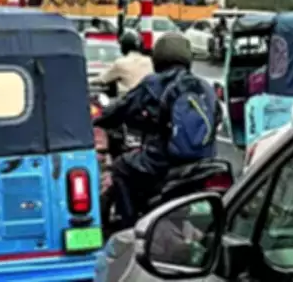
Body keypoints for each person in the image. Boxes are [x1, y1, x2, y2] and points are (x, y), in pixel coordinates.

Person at [93, 32, 220, 229]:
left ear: (158, 57)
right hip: (205, 162)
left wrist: (97, 119)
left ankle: (130, 228)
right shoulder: (205, 87)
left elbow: (119, 109)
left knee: (120, 167)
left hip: (163, 162)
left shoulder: (154, 83)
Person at [93, 29, 154, 96]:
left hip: (129, 102)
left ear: (123, 47)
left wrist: (89, 82)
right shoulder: (149, 61)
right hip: (148, 100)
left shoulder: (120, 63)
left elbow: (101, 80)